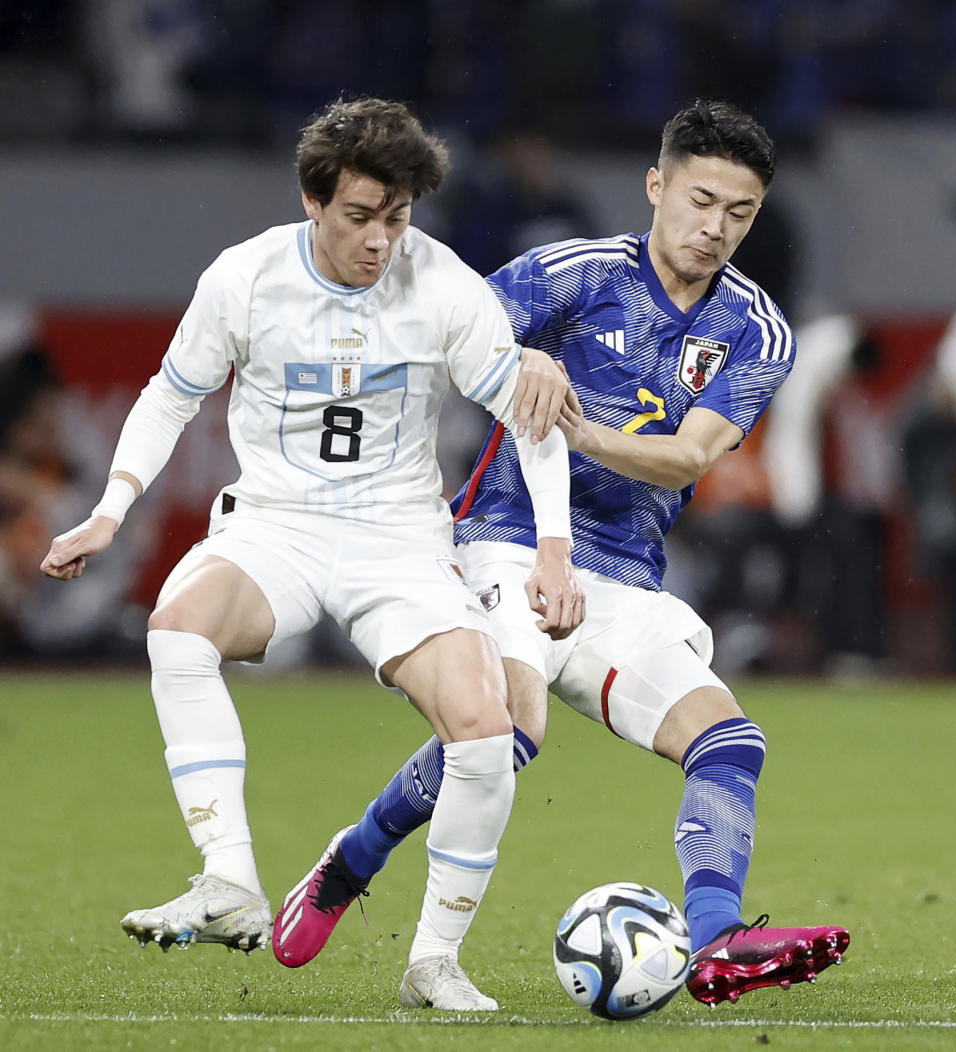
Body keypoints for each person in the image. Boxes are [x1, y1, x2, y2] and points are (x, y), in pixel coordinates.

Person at [272, 100, 850, 1008]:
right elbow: (448, 339)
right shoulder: (574, 275)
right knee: (508, 733)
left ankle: (718, 940)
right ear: (656, 186)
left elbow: (690, 455)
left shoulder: (755, 329)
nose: (715, 228)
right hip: (505, 539)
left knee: (731, 741)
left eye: (740, 214)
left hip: (626, 576)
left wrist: (569, 422)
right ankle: (349, 866)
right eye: (701, 200)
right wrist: (514, 366)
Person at [39, 96, 584, 1012]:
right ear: (312, 200)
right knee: (177, 629)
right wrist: (111, 510)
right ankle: (230, 882)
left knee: (486, 733)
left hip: (399, 539)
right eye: (360, 216)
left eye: (398, 218)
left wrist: (556, 551)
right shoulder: (244, 279)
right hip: (275, 525)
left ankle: (433, 963)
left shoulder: (443, 283)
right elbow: (170, 396)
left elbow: (531, 422)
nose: (380, 240)